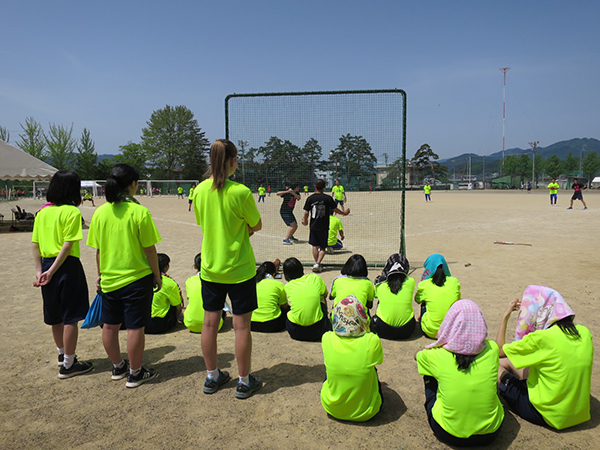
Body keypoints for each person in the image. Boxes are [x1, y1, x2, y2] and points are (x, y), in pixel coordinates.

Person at [193, 139, 263, 399]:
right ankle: (244, 382)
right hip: (240, 268)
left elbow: (204, 223)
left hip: (211, 267)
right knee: (241, 326)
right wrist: (243, 230)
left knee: (209, 324)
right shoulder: (241, 192)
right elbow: (256, 225)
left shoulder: (199, 191)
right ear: (232, 160)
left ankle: (212, 376)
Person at [87, 163, 162, 388]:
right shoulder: (139, 211)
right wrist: (157, 276)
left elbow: (99, 251)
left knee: (110, 326)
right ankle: (136, 372)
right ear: (132, 184)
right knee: (135, 327)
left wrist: (100, 275)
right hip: (137, 279)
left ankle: (118, 366)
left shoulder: (100, 212)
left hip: (110, 279)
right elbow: (150, 249)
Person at [496, 285, 593, 430]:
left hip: (546, 413)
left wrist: (505, 316)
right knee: (512, 361)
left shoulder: (542, 338)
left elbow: (499, 351)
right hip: (578, 413)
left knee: (495, 363)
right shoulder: (584, 333)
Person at [31, 170, 93, 379]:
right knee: (70, 317)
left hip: (47, 265)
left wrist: (41, 271)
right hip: (66, 267)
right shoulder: (72, 212)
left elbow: (35, 244)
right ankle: (68, 364)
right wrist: (53, 270)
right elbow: (67, 246)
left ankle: (61, 354)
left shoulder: (42, 212)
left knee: (55, 316)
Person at [416, 300, 504, 446]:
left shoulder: (437, 355)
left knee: (430, 373)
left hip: (448, 433)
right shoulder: (492, 349)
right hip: (489, 433)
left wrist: (429, 348)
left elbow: (416, 356)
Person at [321, 295, 383, 422]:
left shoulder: (327, 338)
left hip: (332, 408)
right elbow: (378, 361)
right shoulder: (372, 341)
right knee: (372, 368)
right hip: (367, 412)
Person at [302, 179, 350, 273]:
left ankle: (317, 263)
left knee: (315, 246)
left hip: (313, 225)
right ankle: (318, 263)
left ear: (315, 187)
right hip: (323, 225)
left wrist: (304, 220)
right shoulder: (327, 198)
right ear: (324, 187)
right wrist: (343, 213)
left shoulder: (310, 198)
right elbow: (335, 209)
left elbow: (306, 212)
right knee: (323, 247)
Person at [283, 257, 330, 342]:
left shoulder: (287, 286)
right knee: (321, 297)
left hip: (295, 332)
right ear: (302, 268)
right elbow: (325, 294)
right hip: (319, 330)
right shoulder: (315, 278)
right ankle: (324, 319)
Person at [415, 254, 461, 339]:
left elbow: (417, 300)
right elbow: (458, 299)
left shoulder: (424, 284)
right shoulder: (454, 281)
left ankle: (425, 320)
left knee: (424, 302)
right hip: (450, 332)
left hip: (431, 331)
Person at [371, 254, 416, 340]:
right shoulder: (411, 282)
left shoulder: (380, 284)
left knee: (380, 301)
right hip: (406, 331)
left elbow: (375, 295)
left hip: (383, 329)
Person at [183, 253, 223, 333]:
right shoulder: (217, 280)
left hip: (191, 324)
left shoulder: (190, 281)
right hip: (215, 326)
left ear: (195, 266)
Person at [146, 253, 183, 335]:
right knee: (173, 301)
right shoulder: (169, 283)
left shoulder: (142, 279)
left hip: (139, 323)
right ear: (166, 267)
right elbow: (178, 306)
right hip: (158, 325)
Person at [251, 261, 288, 332]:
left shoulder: (252, 284)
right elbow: (284, 306)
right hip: (272, 324)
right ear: (274, 274)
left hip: (252, 323)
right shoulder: (278, 284)